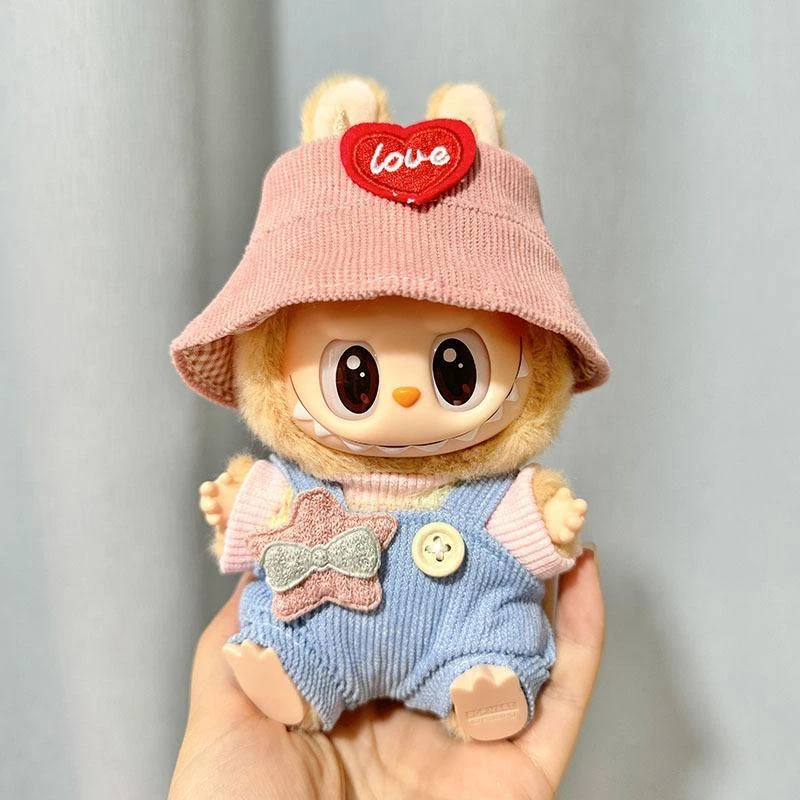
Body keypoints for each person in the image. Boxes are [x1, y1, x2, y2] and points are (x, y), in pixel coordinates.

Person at [168, 546, 602, 799]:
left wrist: (549, 513)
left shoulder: (492, 489)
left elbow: (529, 521)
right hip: (330, 635)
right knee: (289, 616)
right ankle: (293, 669)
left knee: (496, 627)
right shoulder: (305, 477)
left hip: (452, 626)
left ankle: (482, 681)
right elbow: (259, 512)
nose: (405, 411)